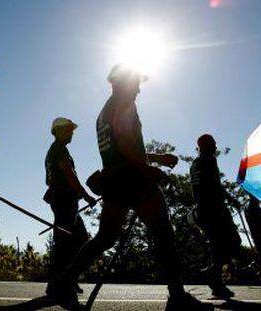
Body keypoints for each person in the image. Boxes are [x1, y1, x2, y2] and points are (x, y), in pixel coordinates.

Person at [50, 65, 209, 310]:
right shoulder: (124, 104)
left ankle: (65, 281)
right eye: (135, 83)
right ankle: (177, 295)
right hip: (134, 180)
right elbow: (125, 144)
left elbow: (121, 146)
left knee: (104, 238)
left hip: (115, 182)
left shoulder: (104, 112)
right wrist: (150, 170)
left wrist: (157, 158)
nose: (138, 90)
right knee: (163, 232)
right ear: (121, 83)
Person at [44, 117, 96, 296]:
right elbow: (69, 174)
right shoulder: (58, 149)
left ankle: (67, 279)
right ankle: (56, 284)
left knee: (80, 238)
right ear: (56, 131)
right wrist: (85, 194)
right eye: (67, 129)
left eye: (71, 129)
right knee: (64, 242)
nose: (71, 132)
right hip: (63, 200)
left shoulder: (59, 150)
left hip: (66, 200)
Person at [190, 134, 241, 299]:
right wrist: (231, 200)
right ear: (207, 146)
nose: (215, 147)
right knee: (233, 242)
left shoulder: (195, 164)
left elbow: (203, 187)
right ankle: (212, 274)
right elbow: (214, 185)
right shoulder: (208, 160)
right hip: (214, 210)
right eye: (213, 144)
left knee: (217, 246)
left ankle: (215, 280)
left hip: (203, 210)